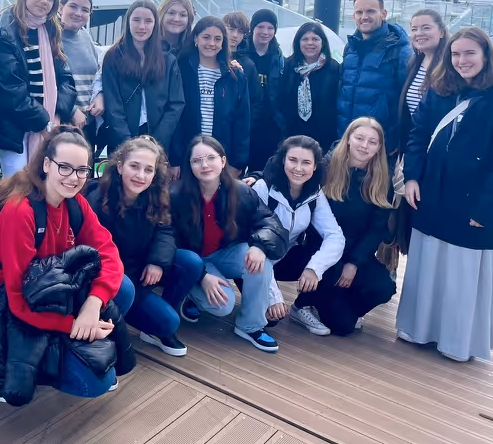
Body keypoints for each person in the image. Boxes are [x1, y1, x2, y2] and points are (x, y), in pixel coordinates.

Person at [0, 126, 134, 400]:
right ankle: (0, 351)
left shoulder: (76, 204)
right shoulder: (19, 212)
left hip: (54, 294)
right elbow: (17, 300)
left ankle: (60, 348)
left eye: (82, 170)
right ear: (46, 164)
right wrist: (74, 326)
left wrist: (93, 305)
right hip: (6, 310)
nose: (74, 178)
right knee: (96, 383)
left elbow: (108, 252)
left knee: (124, 288)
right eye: (65, 167)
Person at [397, 27, 493, 362]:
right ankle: (418, 330)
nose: (462, 60)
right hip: (432, 195)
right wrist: (411, 177)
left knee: (461, 276)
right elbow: (418, 134)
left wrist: (486, 208)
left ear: (486, 55)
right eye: (456, 54)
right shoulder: (439, 89)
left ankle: (457, 342)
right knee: (428, 268)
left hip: (472, 201)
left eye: (469, 53)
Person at [170, 136, 290, 353]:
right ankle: (193, 296)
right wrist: (202, 276)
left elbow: (271, 223)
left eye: (210, 158)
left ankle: (250, 326)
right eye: (197, 160)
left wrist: (260, 246)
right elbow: (169, 244)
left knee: (261, 262)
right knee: (222, 307)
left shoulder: (241, 191)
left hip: (225, 252)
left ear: (223, 161)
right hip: (194, 261)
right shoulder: (176, 196)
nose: (204, 165)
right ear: (189, 165)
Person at [85, 136, 201, 357]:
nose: (141, 175)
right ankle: (111, 326)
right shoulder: (99, 199)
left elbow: (166, 230)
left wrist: (157, 261)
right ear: (120, 166)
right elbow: (94, 253)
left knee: (190, 263)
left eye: (149, 170)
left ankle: (153, 325)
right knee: (166, 321)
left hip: (141, 274)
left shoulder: (155, 195)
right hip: (113, 280)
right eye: (134, 166)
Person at [0, 0, 77, 178]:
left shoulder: (50, 30)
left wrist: (58, 113)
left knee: (43, 185)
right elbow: (7, 90)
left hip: (47, 124)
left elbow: (65, 78)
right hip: (13, 128)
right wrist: (44, 121)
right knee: (17, 185)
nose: (44, 1)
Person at [301, 119, 396, 335]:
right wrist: (257, 178)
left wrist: (354, 262)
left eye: (372, 142)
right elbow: (292, 176)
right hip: (323, 250)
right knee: (342, 327)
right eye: (360, 138)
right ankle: (302, 305)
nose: (364, 146)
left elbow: (377, 228)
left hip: (356, 251)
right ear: (348, 139)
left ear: (379, 147)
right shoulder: (326, 167)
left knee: (383, 287)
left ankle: (343, 306)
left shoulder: (382, 178)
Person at [245, 136, 345, 336]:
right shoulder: (263, 189)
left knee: (332, 262)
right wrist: (273, 295)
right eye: (293, 160)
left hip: (285, 256)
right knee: (269, 320)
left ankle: (302, 307)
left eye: (306, 162)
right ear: (283, 160)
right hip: (255, 260)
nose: (298, 168)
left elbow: (335, 236)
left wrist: (314, 268)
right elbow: (248, 239)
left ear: (315, 166)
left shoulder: (314, 194)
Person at [388, 8, 449, 266]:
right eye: (414, 28)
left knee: (429, 215)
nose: (419, 33)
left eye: (426, 27)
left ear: (441, 31)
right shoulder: (415, 63)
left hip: (437, 156)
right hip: (413, 151)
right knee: (410, 214)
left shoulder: (450, 65)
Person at [101, 0, 185, 162]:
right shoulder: (113, 57)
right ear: (128, 22)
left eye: (148, 21)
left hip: (158, 140)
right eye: (136, 20)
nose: (142, 27)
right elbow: (113, 104)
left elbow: (176, 104)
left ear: (155, 24)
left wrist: (156, 141)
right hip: (122, 138)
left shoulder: (168, 60)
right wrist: (127, 142)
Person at [336, 0, 412, 155]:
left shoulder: (399, 50)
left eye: (370, 11)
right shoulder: (351, 48)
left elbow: (408, 98)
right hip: (347, 140)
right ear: (354, 16)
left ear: (383, 14)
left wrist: (398, 140)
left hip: (380, 144)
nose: (364, 16)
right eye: (359, 12)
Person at [176, 16, 251, 176]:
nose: (211, 43)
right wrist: (174, 160)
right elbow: (175, 118)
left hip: (221, 156)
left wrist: (238, 163)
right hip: (187, 155)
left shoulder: (235, 76)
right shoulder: (181, 70)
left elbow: (242, 122)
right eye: (206, 37)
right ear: (196, 38)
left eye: (218, 39)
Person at [279, 22, 341, 152]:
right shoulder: (288, 66)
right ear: (298, 42)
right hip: (292, 136)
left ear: (322, 42)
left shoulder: (334, 68)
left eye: (315, 39)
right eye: (305, 39)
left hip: (325, 137)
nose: (310, 43)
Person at [59, 0, 105, 148]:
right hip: (63, 123)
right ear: (60, 7)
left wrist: (99, 96)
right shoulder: (51, 38)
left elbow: (97, 73)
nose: (78, 13)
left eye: (85, 10)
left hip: (87, 122)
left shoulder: (85, 35)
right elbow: (47, 83)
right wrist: (72, 111)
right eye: (73, 6)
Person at [244, 9, 285, 171]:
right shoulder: (242, 54)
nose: (265, 32)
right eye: (260, 27)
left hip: (269, 125)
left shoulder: (279, 58)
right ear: (252, 28)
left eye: (270, 28)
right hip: (246, 121)